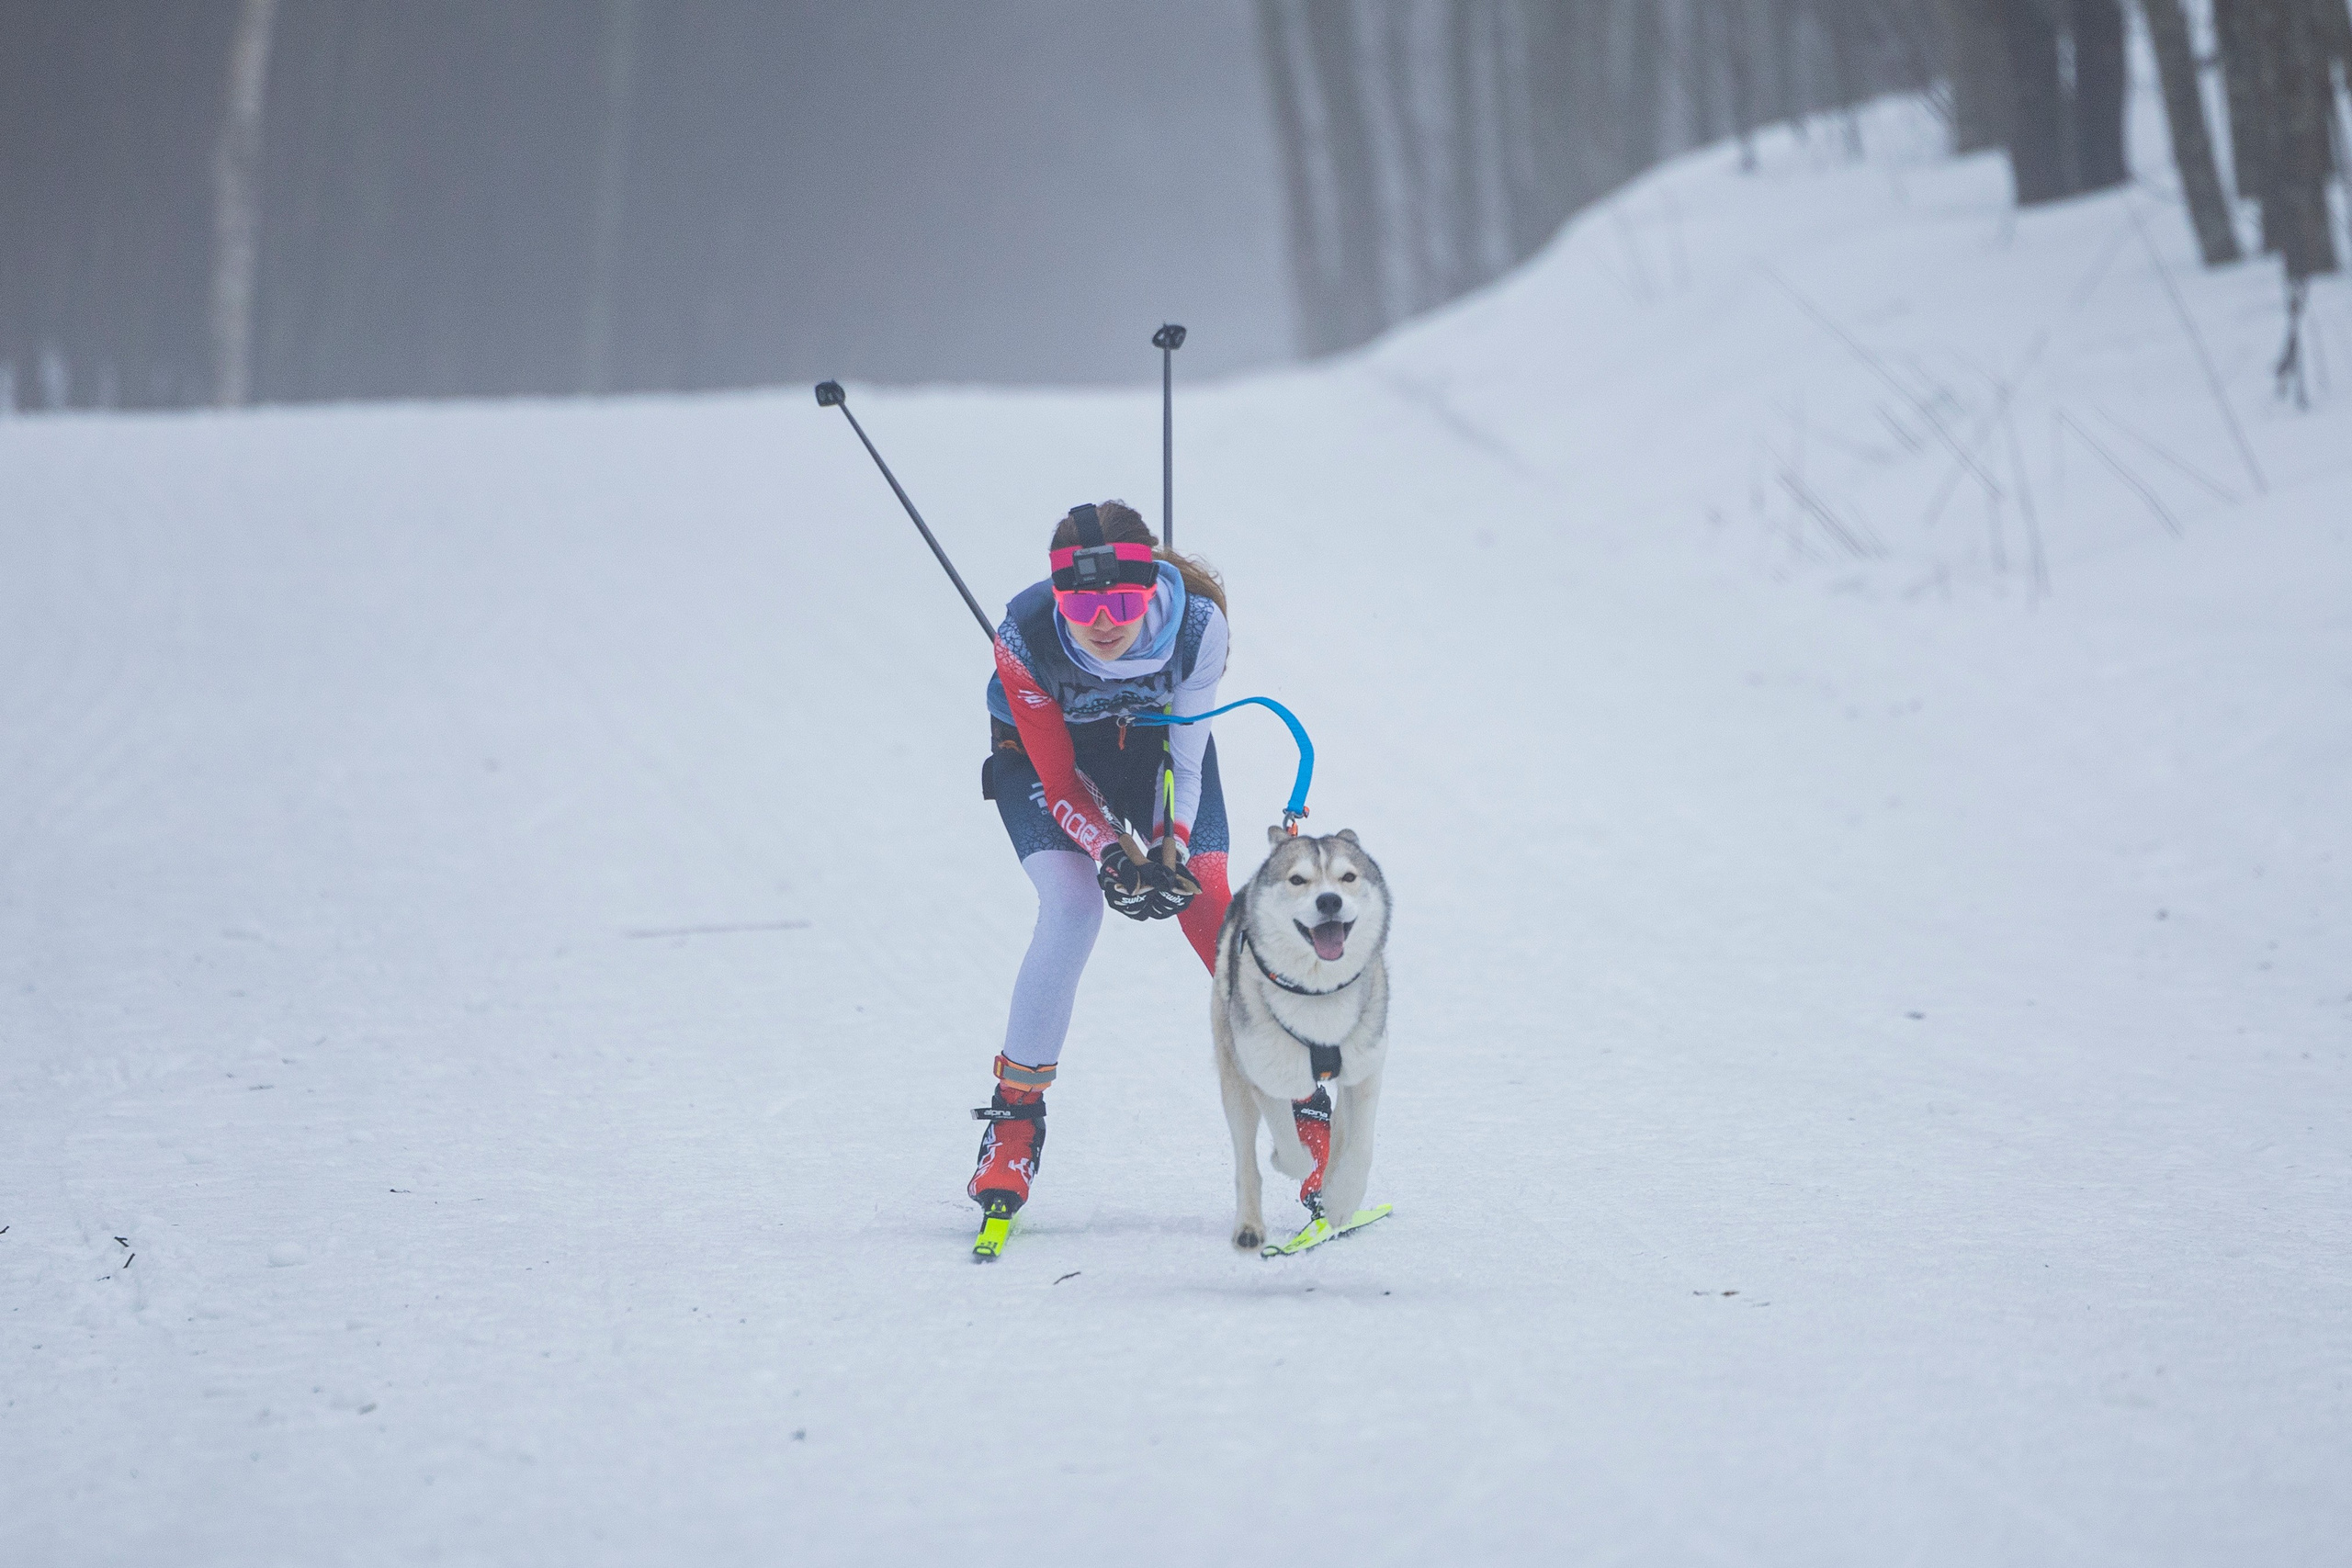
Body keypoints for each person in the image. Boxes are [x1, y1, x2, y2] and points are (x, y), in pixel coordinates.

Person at [967, 500, 1244, 1221]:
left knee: (1206, 895)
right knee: (1073, 906)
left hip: (1157, 759)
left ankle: (1304, 1099)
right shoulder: (1024, 638)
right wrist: (1110, 855)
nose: (1103, 621)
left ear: (1151, 580)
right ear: (1056, 594)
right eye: (1080, 602)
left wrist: (1169, 846)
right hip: (1044, 763)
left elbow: (1187, 749)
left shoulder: (1197, 625)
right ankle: (1014, 1122)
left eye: (1123, 598)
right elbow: (1059, 781)